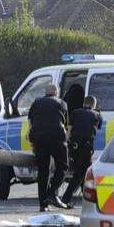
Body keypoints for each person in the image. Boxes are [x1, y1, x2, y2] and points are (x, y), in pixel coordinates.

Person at [28, 84, 69, 212]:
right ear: (56, 92)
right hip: (57, 139)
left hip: (39, 139)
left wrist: (31, 139)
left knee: (43, 171)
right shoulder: (62, 103)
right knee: (63, 166)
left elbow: (30, 121)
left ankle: (43, 204)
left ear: (45, 93)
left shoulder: (36, 102)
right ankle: (52, 193)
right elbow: (65, 124)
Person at [62, 96, 102, 208]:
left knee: (84, 174)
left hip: (74, 148)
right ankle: (65, 199)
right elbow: (97, 128)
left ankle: (89, 201)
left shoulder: (75, 112)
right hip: (86, 149)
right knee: (81, 174)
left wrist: (67, 146)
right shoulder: (97, 115)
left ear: (84, 103)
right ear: (93, 104)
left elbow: (69, 131)